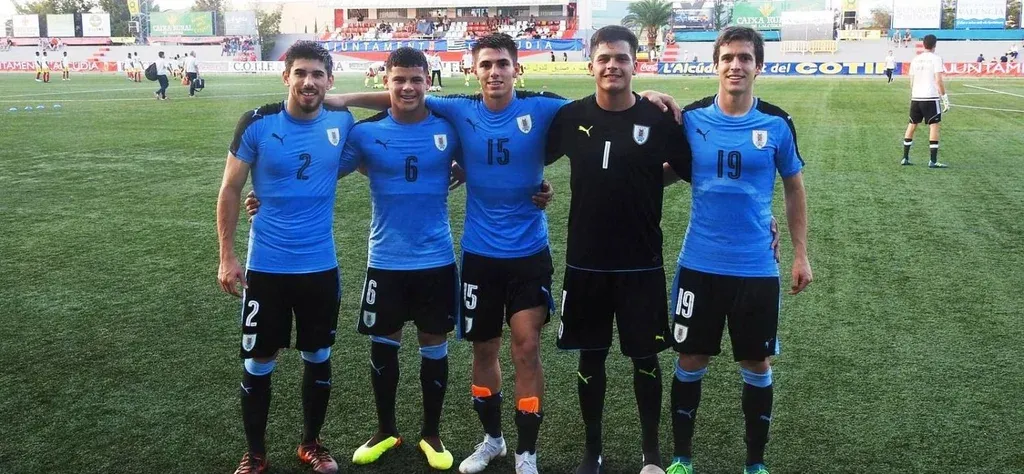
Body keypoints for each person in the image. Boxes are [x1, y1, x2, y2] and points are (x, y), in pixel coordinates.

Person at [324, 34, 680, 474]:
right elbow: (405, 95)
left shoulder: (545, 107)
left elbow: (605, 104)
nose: (495, 72)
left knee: (526, 346)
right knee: (484, 349)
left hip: (529, 251)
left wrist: (648, 95)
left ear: (517, 69)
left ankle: (527, 453)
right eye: (486, 65)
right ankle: (492, 440)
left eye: (503, 64)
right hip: (479, 254)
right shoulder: (459, 109)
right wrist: (344, 99)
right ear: (474, 71)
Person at [661, 26, 811, 474]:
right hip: (699, 262)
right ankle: (682, 458)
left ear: (758, 66)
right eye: (727, 57)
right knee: (691, 357)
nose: (736, 65)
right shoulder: (691, 119)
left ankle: (755, 463)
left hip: (756, 267)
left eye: (745, 58)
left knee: (756, 362)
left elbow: (794, 188)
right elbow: (666, 171)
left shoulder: (777, 123)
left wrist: (800, 253)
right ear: (715, 65)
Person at [545, 25, 690, 474]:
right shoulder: (570, 117)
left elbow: (692, 170)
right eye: (604, 58)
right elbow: (526, 155)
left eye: (622, 58)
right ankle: (593, 451)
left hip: (640, 262)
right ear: (590, 65)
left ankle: (651, 454)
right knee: (590, 356)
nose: (613, 66)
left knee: (645, 358)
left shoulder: (658, 119)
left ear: (635, 63)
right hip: (586, 261)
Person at [216, 41, 354, 474]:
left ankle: (311, 444)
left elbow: (401, 102)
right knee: (259, 361)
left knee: (318, 356)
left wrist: (344, 99)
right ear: (285, 77)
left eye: (317, 74)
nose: (308, 82)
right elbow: (231, 189)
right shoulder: (257, 123)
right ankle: (255, 453)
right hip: (266, 269)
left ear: (330, 81)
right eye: (300, 73)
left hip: (319, 268)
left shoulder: (342, 121)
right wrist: (227, 256)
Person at [902, 34, 948, 168]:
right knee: (934, 126)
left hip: (916, 97)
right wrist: (944, 97)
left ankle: (905, 157)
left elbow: (911, 81)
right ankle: (933, 161)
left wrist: (915, 92)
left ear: (923, 44)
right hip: (930, 97)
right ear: (935, 45)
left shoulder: (915, 59)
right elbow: (938, 80)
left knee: (912, 125)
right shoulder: (936, 59)